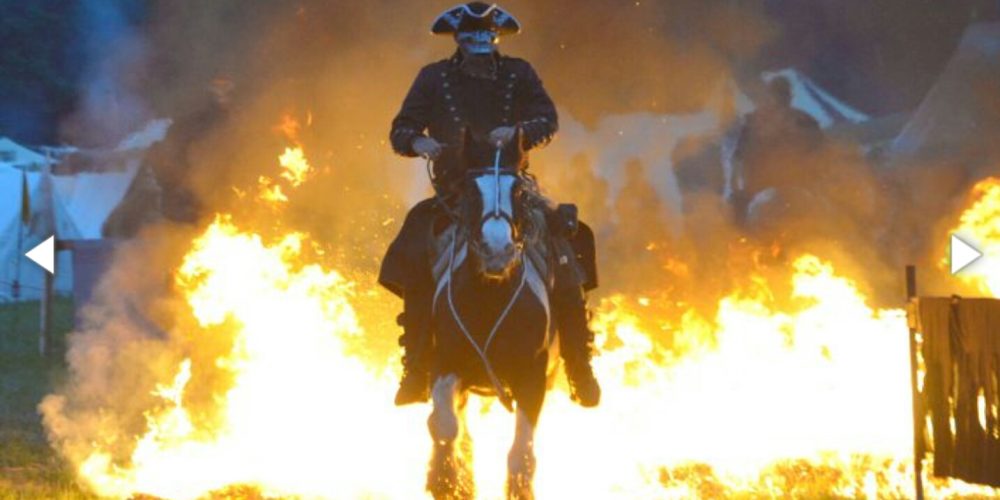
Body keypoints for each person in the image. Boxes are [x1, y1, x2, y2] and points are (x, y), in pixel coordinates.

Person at [379, 2, 601, 407]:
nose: (479, 47)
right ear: (459, 41)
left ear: (495, 39)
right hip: (455, 191)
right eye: (471, 39)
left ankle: (578, 365)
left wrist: (516, 131)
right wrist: (419, 142)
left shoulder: (520, 73)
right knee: (413, 252)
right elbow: (401, 129)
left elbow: (546, 119)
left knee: (571, 243)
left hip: (512, 187)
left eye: (485, 38)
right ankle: (416, 365)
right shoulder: (432, 78)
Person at [724, 75, 823, 224]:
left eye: (784, 93)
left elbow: (820, 156)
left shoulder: (805, 122)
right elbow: (737, 158)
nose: (781, 98)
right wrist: (735, 189)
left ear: (789, 96)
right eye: (778, 93)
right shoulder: (753, 121)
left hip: (796, 191)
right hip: (759, 190)